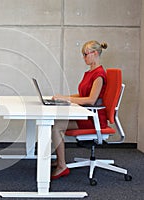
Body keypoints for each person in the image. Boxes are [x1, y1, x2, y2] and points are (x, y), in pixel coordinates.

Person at [50, 40, 108, 180]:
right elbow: (83, 96)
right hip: (87, 114)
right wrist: (63, 97)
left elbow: (91, 100)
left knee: (57, 126)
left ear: (94, 53)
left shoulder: (99, 75)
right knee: (56, 123)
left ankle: (62, 166)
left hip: (93, 119)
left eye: (85, 54)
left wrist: (67, 99)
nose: (84, 57)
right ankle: (60, 160)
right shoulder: (90, 73)